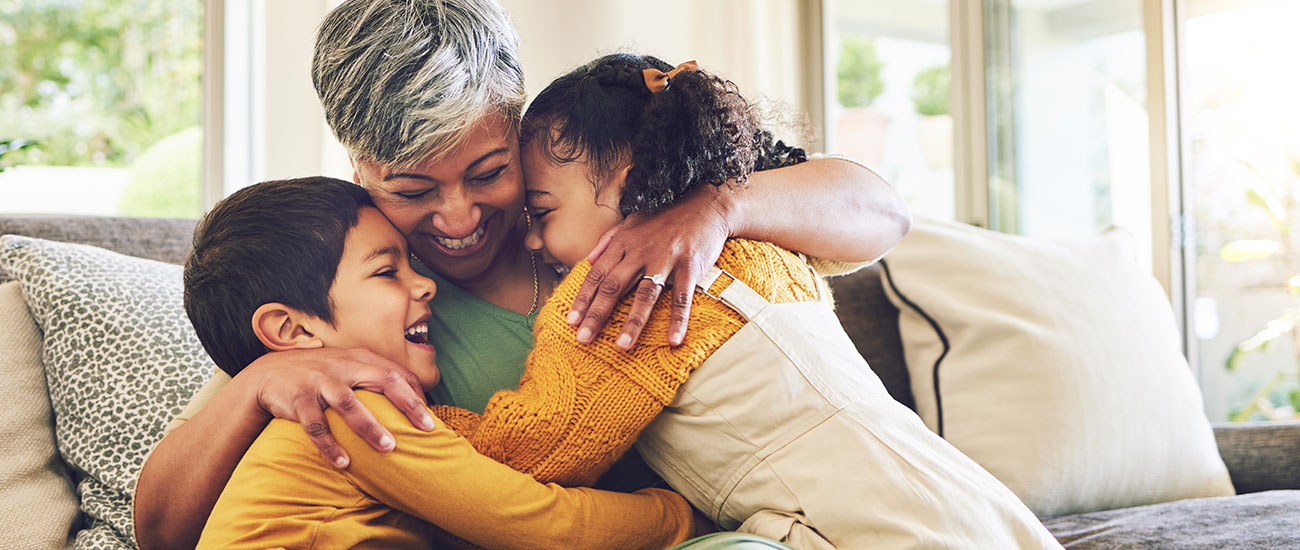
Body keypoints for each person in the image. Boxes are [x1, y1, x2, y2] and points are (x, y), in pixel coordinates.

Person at [132, 0, 912, 548]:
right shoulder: (345, 294)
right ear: (357, 169)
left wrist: (715, 209)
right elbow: (162, 529)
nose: (459, 216)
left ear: (518, 126)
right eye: (410, 190)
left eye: (489, 172)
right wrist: (253, 386)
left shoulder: (608, 195)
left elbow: (881, 214)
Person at [456, 52, 1059, 549]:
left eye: (542, 211)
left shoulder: (618, 297)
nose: (531, 238)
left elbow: (530, 453)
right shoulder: (770, 248)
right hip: (970, 503)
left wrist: (403, 420)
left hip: (867, 531)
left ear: (630, 180)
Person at [185, 176, 697, 549]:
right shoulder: (350, 412)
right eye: (388, 272)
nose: (427, 283)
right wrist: (685, 518)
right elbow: (542, 524)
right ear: (292, 332)